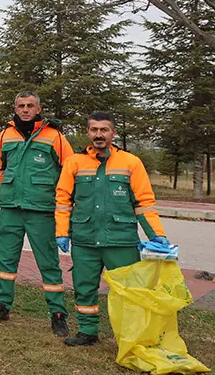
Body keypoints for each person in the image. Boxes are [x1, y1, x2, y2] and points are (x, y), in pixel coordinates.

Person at [56, 111, 170, 347]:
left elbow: (144, 202)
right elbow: (63, 200)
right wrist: (61, 232)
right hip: (85, 240)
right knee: (84, 287)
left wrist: (156, 234)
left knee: (129, 290)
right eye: (94, 130)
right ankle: (87, 332)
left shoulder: (130, 163)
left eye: (104, 130)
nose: (99, 134)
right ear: (88, 132)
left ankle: (131, 336)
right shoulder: (74, 162)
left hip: (121, 240)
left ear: (113, 132)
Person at [0, 91, 73, 335]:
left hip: (42, 210)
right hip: (11, 210)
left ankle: (57, 314)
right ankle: (2, 306)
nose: (25, 109)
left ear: (38, 109)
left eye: (30, 105)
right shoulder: (5, 135)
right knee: (6, 260)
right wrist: (11, 185)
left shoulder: (54, 136)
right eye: (21, 105)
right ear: (16, 108)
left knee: (49, 263)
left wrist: (50, 193)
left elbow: (70, 169)